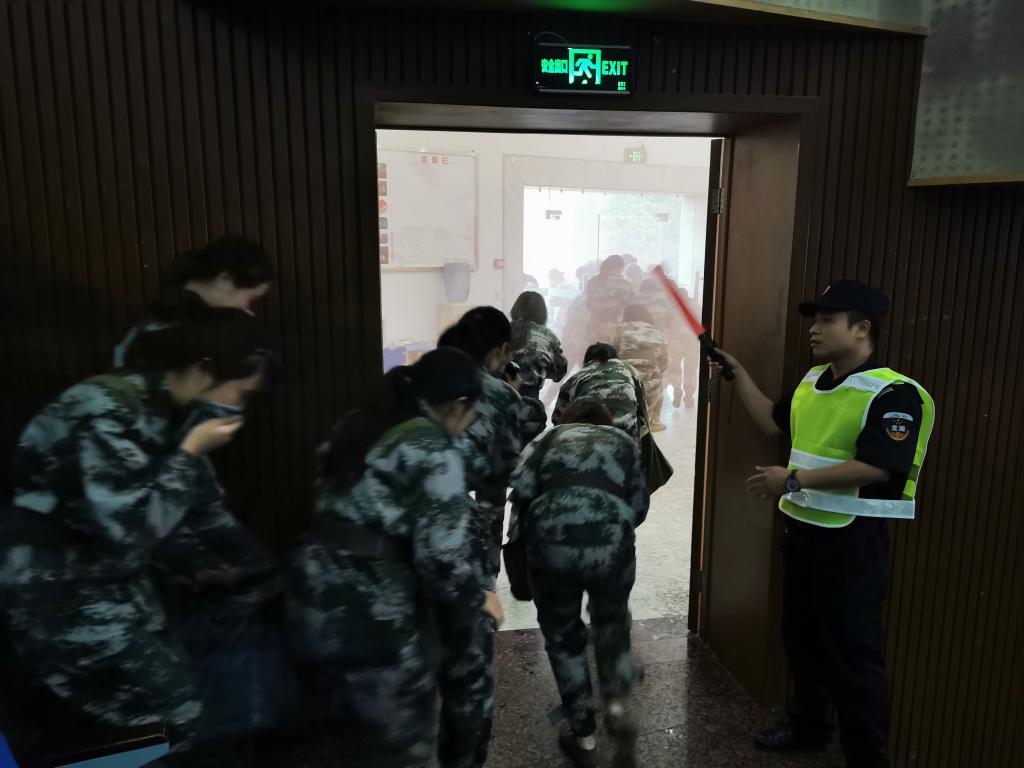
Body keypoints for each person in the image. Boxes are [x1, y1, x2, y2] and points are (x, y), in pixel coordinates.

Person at [0, 313, 270, 762]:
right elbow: (129, 530)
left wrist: (258, 571)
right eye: (239, 392)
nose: (238, 406)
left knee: (163, 713)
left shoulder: (168, 411)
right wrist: (190, 452)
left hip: (111, 582)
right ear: (204, 370)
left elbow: (203, 512)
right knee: (172, 715)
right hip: (56, 588)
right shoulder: (103, 408)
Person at [711, 281, 935, 768]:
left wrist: (793, 479)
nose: (814, 329)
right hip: (804, 534)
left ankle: (865, 757)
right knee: (802, 641)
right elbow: (773, 422)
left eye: (828, 320)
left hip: (853, 544)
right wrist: (738, 373)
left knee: (854, 657)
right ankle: (809, 728)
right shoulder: (813, 380)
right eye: (815, 320)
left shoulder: (894, 393)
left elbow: (879, 467)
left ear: (862, 329)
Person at [286, 348, 503, 768]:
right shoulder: (432, 447)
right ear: (457, 405)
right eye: (472, 412)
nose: (471, 422)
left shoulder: (356, 424)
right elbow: (442, 563)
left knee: (349, 734)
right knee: (406, 749)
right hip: (374, 614)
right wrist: (479, 598)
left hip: (311, 598)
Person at [508, 401, 649, 767]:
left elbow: (521, 494)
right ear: (605, 422)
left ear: (568, 421)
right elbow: (639, 507)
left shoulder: (545, 440)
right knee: (612, 623)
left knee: (563, 637)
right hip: (612, 539)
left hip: (550, 540)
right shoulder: (623, 441)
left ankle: (584, 737)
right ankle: (617, 707)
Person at [436, 307, 522, 768]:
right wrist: (488, 572)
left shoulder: (420, 380)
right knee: (469, 678)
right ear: (500, 351)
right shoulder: (500, 395)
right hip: (461, 547)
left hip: (404, 550)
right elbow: (499, 481)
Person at [114, 234, 274, 368]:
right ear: (224, 279)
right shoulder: (173, 317)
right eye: (250, 298)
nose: (247, 307)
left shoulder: (172, 305)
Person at [553, 343, 647, 445]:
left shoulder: (576, 378)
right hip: (627, 439)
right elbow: (642, 409)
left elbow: (558, 419)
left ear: (586, 360)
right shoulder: (631, 372)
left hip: (588, 441)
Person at [509, 291, 569, 443]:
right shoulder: (548, 336)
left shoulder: (503, 329)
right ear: (542, 313)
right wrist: (538, 367)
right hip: (529, 404)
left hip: (498, 397)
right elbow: (559, 372)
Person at [639, 278, 699, 408]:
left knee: (674, 368)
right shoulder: (696, 305)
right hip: (692, 341)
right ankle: (689, 397)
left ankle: (677, 390)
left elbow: (665, 321)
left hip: (675, 340)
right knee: (690, 369)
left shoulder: (672, 306)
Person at [613, 304, 670, 432]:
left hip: (626, 379)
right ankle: (654, 422)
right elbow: (665, 361)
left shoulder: (621, 330)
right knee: (659, 381)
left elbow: (613, 352)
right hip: (651, 383)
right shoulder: (657, 333)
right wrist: (655, 372)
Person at [583, 256, 635, 347]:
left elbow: (586, 303)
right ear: (620, 267)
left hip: (593, 327)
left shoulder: (593, 281)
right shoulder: (624, 284)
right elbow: (631, 308)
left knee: (594, 353)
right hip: (613, 329)